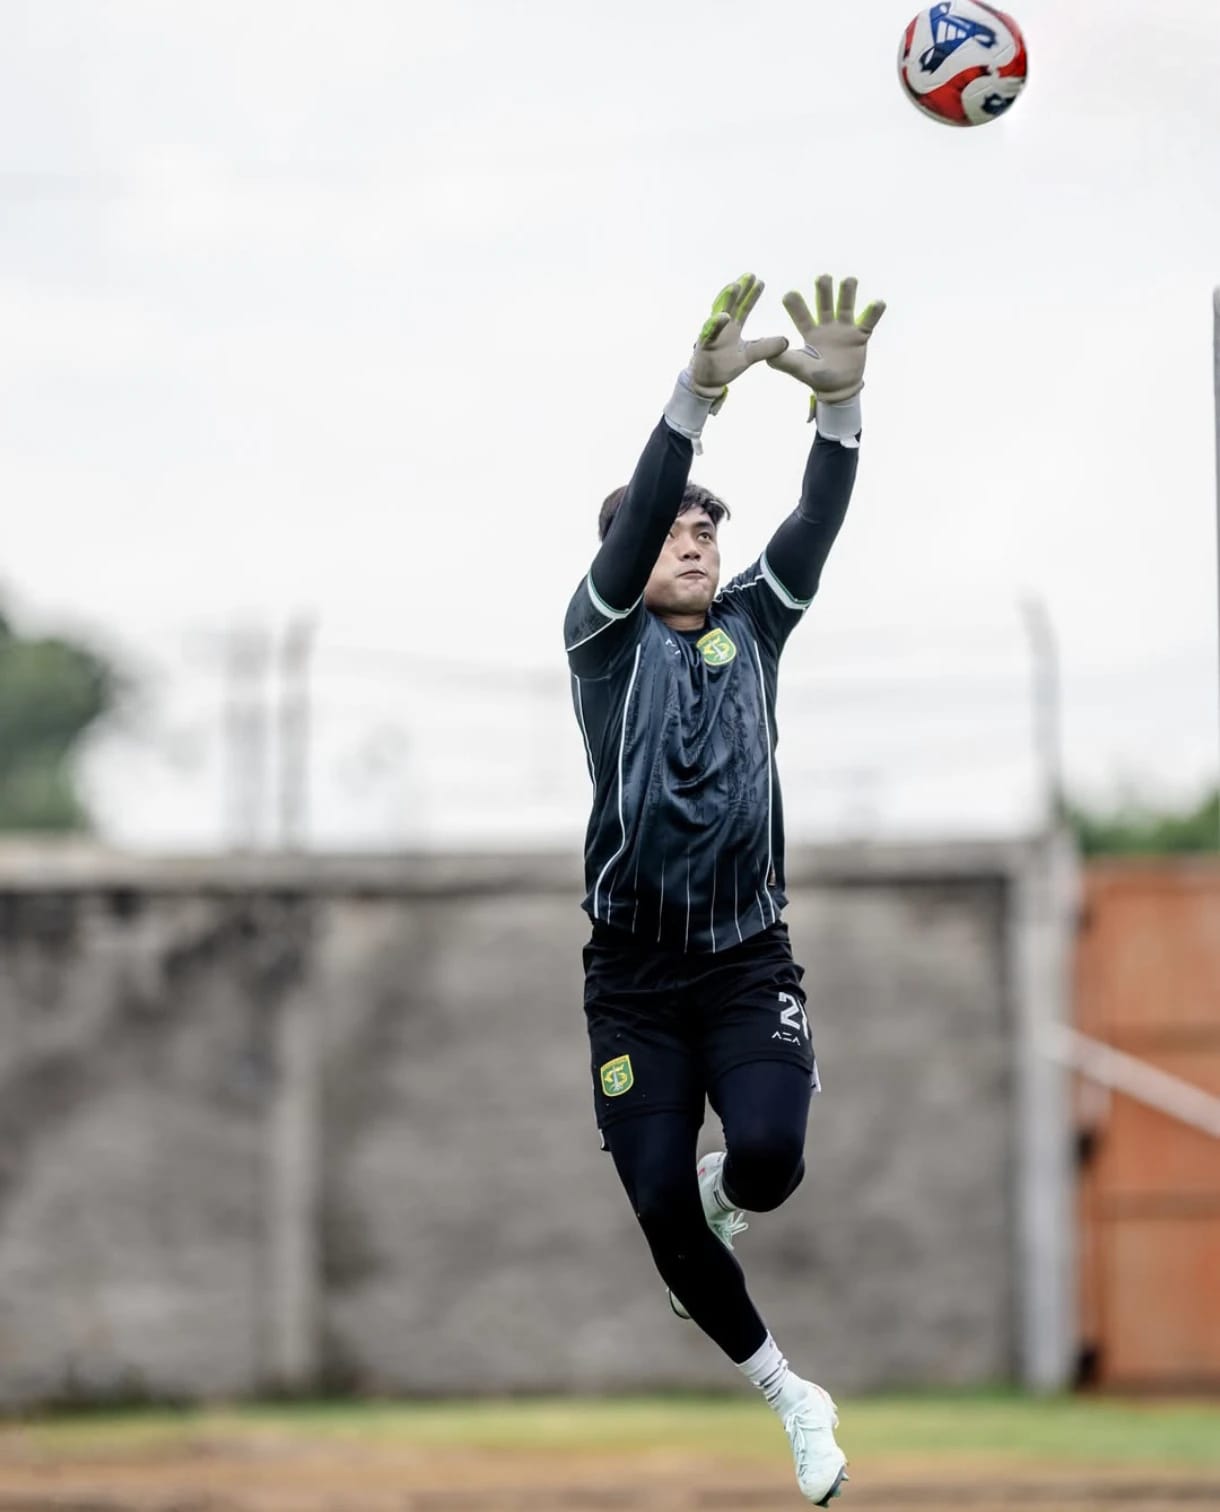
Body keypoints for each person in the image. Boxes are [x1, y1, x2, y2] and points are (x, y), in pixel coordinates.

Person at [562, 271, 886, 1505]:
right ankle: (791, 1396)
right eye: (671, 527)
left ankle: (730, 1184)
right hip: (633, 982)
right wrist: (690, 401)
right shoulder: (598, 640)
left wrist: (840, 410)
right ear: (624, 556)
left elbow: (813, 521)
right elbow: (646, 498)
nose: (692, 537)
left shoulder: (754, 624)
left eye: (705, 527)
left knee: (761, 1162)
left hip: (747, 961)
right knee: (657, 1208)